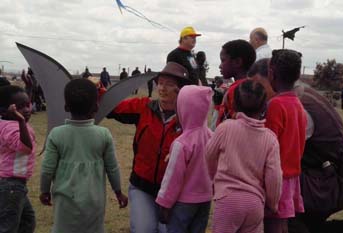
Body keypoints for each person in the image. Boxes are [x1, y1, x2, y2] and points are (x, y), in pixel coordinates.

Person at [248, 55, 343, 233]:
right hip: (326, 180)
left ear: (271, 76)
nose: (256, 93)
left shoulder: (292, 106)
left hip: (321, 186)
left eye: (259, 86)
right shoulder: (302, 97)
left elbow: (273, 154)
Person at [104, 62, 191, 233]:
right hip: (142, 186)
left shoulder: (189, 119)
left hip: (175, 192)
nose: (162, 88)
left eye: (169, 84)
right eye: (160, 82)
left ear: (180, 89)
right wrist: (96, 90)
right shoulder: (144, 107)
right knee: (145, 229)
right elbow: (112, 107)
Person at [39, 79, 128, 233]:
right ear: (96, 106)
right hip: (95, 201)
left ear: (66, 106)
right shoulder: (103, 134)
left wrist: (44, 191)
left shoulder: (56, 134)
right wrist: (118, 192)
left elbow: (47, 169)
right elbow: (112, 168)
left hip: (64, 200)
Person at [206, 80, 282, 233]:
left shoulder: (225, 128)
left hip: (227, 200)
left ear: (234, 104)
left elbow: (209, 156)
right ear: (263, 107)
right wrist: (273, 204)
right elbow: (274, 176)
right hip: (255, 203)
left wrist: (213, 179)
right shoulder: (270, 139)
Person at [156, 85, 213, 233]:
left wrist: (164, 203)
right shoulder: (212, 137)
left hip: (183, 202)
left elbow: (173, 178)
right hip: (205, 199)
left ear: (183, 109)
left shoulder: (182, 143)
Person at [264, 49, 307, 233]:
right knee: (281, 225)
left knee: (273, 225)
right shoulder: (297, 104)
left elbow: (268, 146)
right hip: (291, 177)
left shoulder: (275, 105)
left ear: (271, 73)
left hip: (276, 178)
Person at [0, 85, 36, 233]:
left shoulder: (10, 123)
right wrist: (21, 121)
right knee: (8, 227)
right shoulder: (11, 127)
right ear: (5, 110)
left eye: (27, 105)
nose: (27, 110)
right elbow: (25, 148)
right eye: (20, 107)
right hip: (11, 185)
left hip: (14, 185)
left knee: (27, 221)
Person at [216, 39, 256, 125]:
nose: (220, 66)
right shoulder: (253, 87)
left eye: (223, 60)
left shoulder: (236, 90)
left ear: (237, 62)